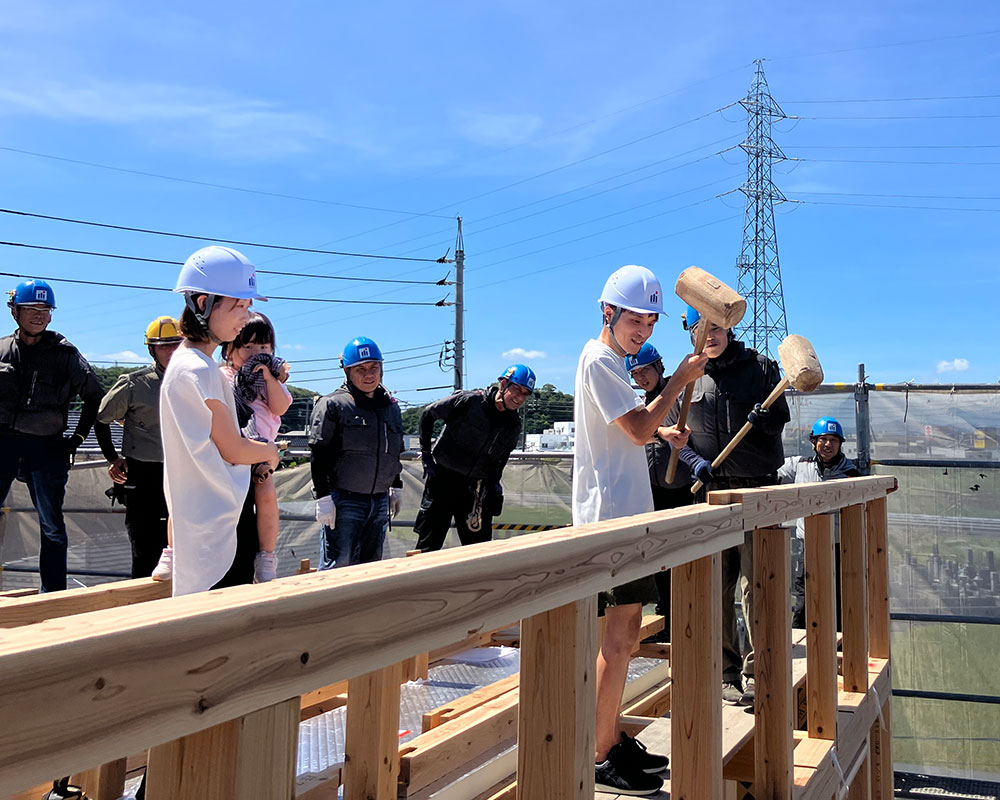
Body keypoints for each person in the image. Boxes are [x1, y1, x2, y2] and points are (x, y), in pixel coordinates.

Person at [573, 264, 705, 796]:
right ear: (609, 311)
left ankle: (609, 737)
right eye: (635, 319)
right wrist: (678, 381)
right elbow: (636, 427)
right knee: (620, 636)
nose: (643, 329)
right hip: (611, 519)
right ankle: (600, 750)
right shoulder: (600, 358)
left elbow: (629, 434)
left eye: (651, 321)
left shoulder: (612, 363)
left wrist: (662, 430)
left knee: (625, 635)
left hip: (624, 514)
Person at [674, 305, 790, 707]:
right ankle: (725, 673)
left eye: (718, 328)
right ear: (690, 331)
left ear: (728, 328)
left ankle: (757, 671)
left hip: (757, 489)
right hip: (714, 492)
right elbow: (674, 435)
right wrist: (695, 463)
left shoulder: (759, 367)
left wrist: (766, 419)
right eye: (702, 329)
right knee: (716, 586)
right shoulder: (688, 376)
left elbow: (782, 416)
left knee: (754, 584)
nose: (711, 336)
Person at [159, 245, 279, 597]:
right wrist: (270, 452)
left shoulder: (188, 362)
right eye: (238, 305)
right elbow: (234, 448)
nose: (246, 315)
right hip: (214, 530)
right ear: (202, 303)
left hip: (203, 523)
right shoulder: (199, 368)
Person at [0, 279, 103, 592]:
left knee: (52, 526)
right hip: (4, 443)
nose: (38, 315)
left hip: (47, 447)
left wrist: (78, 439)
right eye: (31, 308)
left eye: (45, 310)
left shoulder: (64, 353)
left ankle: (54, 595)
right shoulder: (2, 349)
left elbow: (95, 394)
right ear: (14, 311)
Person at [93, 316, 182, 579]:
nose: (172, 351)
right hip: (142, 475)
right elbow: (101, 420)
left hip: (182, 474)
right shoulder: (134, 384)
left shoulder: (196, 381)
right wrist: (112, 458)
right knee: (144, 548)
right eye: (164, 345)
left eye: (177, 344)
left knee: (182, 547)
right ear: (151, 349)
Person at [413, 364, 534, 552]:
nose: (520, 397)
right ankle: (418, 581)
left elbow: (501, 458)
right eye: (516, 389)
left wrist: (494, 483)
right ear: (503, 383)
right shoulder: (469, 401)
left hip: (475, 488)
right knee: (428, 546)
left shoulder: (513, 425)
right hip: (443, 480)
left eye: (525, 393)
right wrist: (427, 455)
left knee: (479, 550)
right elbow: (429, 414)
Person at [308, 336, 404, 569]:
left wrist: (396, 485)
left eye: (374, 367)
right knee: (338, 565)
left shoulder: (390, 407)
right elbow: (318, 454)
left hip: (379, 500)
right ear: (347, 371)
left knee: (371, 567)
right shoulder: (333, 404)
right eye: (360, 369)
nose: (369, 374)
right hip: (344, 500)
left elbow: (393, 452)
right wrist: (323, 497)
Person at [626, 342, 695, 643]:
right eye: (636, 373)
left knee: (676, 559)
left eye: (645, 370)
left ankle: (677, 619)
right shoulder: (643, 405)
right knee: (654, 558)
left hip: (678, 489)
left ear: (659, 367)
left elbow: (689, 437)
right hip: (652, 491)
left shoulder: (677, 397)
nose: (641, 377)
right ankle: (663, 617)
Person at [222, 312, 293, 582]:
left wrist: (270, 376)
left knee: (266, 498)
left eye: (263, 348)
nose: (256, 353)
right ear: (231, 348)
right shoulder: (224, 376)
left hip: (262, 453)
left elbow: (280, 406)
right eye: (248, 347)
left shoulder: (268, 380)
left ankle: (266, 555)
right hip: (232, 451)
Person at [778, 416, 860, 628]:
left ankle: (839, 652)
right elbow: (772, 473)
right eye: (823, 439)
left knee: (839, 603)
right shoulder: (800, 466)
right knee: (804, 603)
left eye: (833, 440)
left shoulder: (851, 474)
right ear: (813, 442)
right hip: (809, 548)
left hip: (840, 549)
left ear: (841, 443)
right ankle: (799, 651)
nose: (828, 445)